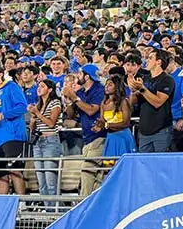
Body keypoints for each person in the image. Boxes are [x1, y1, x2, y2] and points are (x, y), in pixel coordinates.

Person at [62, 64, 105, 196]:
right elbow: (70, 114)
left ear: (87, 77)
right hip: (86, 138)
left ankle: (83, 204)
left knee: (87, 171)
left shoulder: (99, 90)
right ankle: (94, 205)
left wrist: (74, 98)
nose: (77, 76)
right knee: (97, 175)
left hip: (100, 136)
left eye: (80, 74)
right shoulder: (80, 93)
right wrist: (68, 101)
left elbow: (92, 110)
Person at [0, 66, 29, 195]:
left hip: (13, 136)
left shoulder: (11, 87)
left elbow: (23, 107)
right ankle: (1, 206)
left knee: (15, 171)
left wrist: (4, 115)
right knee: (1, 174)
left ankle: (22, 204)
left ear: (0, 74)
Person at [129, 49, 175, 153]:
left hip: (161, 130)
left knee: (160, 165)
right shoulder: (144, 79)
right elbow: (133, 102)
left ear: (159, 62)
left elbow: (158, 102)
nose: (146, 60)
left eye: (150, 58)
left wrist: (142, 89)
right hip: (144, 131)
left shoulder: (167, 80)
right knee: (145, 166)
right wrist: (133, 91)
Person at [27, 79, 62, 201]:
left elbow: (52, 123)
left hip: (50, 141)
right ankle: (47, 210)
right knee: (41, 182)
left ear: (50, 89)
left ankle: (56, 211)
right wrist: (32, 118)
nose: (39, 88)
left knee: (50, 180)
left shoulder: (55, 103)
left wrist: (38, 114)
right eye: (38, 86)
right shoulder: (38, 105)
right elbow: (32, 128)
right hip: (38, 142)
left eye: (42, 86)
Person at [96, 74, 135, 162]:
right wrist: (98, 126)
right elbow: (102, 121)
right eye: (106, 85)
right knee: (109, 168)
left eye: (110, 85)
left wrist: (107, 125)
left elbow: (126, 123)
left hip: (123, 138)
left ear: (117, 87)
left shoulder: (124, 101)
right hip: (111, 138)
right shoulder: (103, 103)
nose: (106, 87)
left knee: (124, 166)